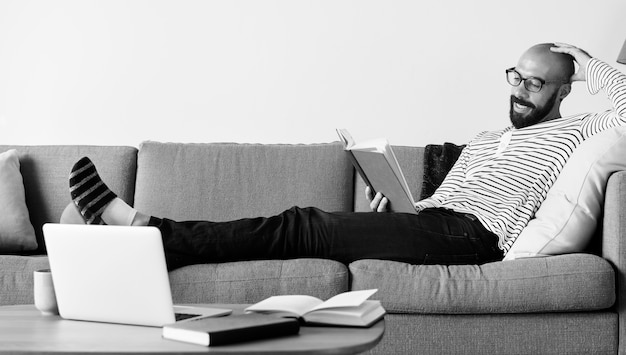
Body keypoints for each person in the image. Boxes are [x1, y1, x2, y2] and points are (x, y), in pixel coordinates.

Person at [62, 43, 626, 271]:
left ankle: (145, 233)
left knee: (300, 225)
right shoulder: (483, 137)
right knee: (301, 223)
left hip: (473, 237)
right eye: (516, 76)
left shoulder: (578, 130)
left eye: (536, 82)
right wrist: (399, 211)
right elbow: (441, 205)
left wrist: (583, 56)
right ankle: (145, 238)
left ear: (563, 90)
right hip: (434, 222)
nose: (521, 89)